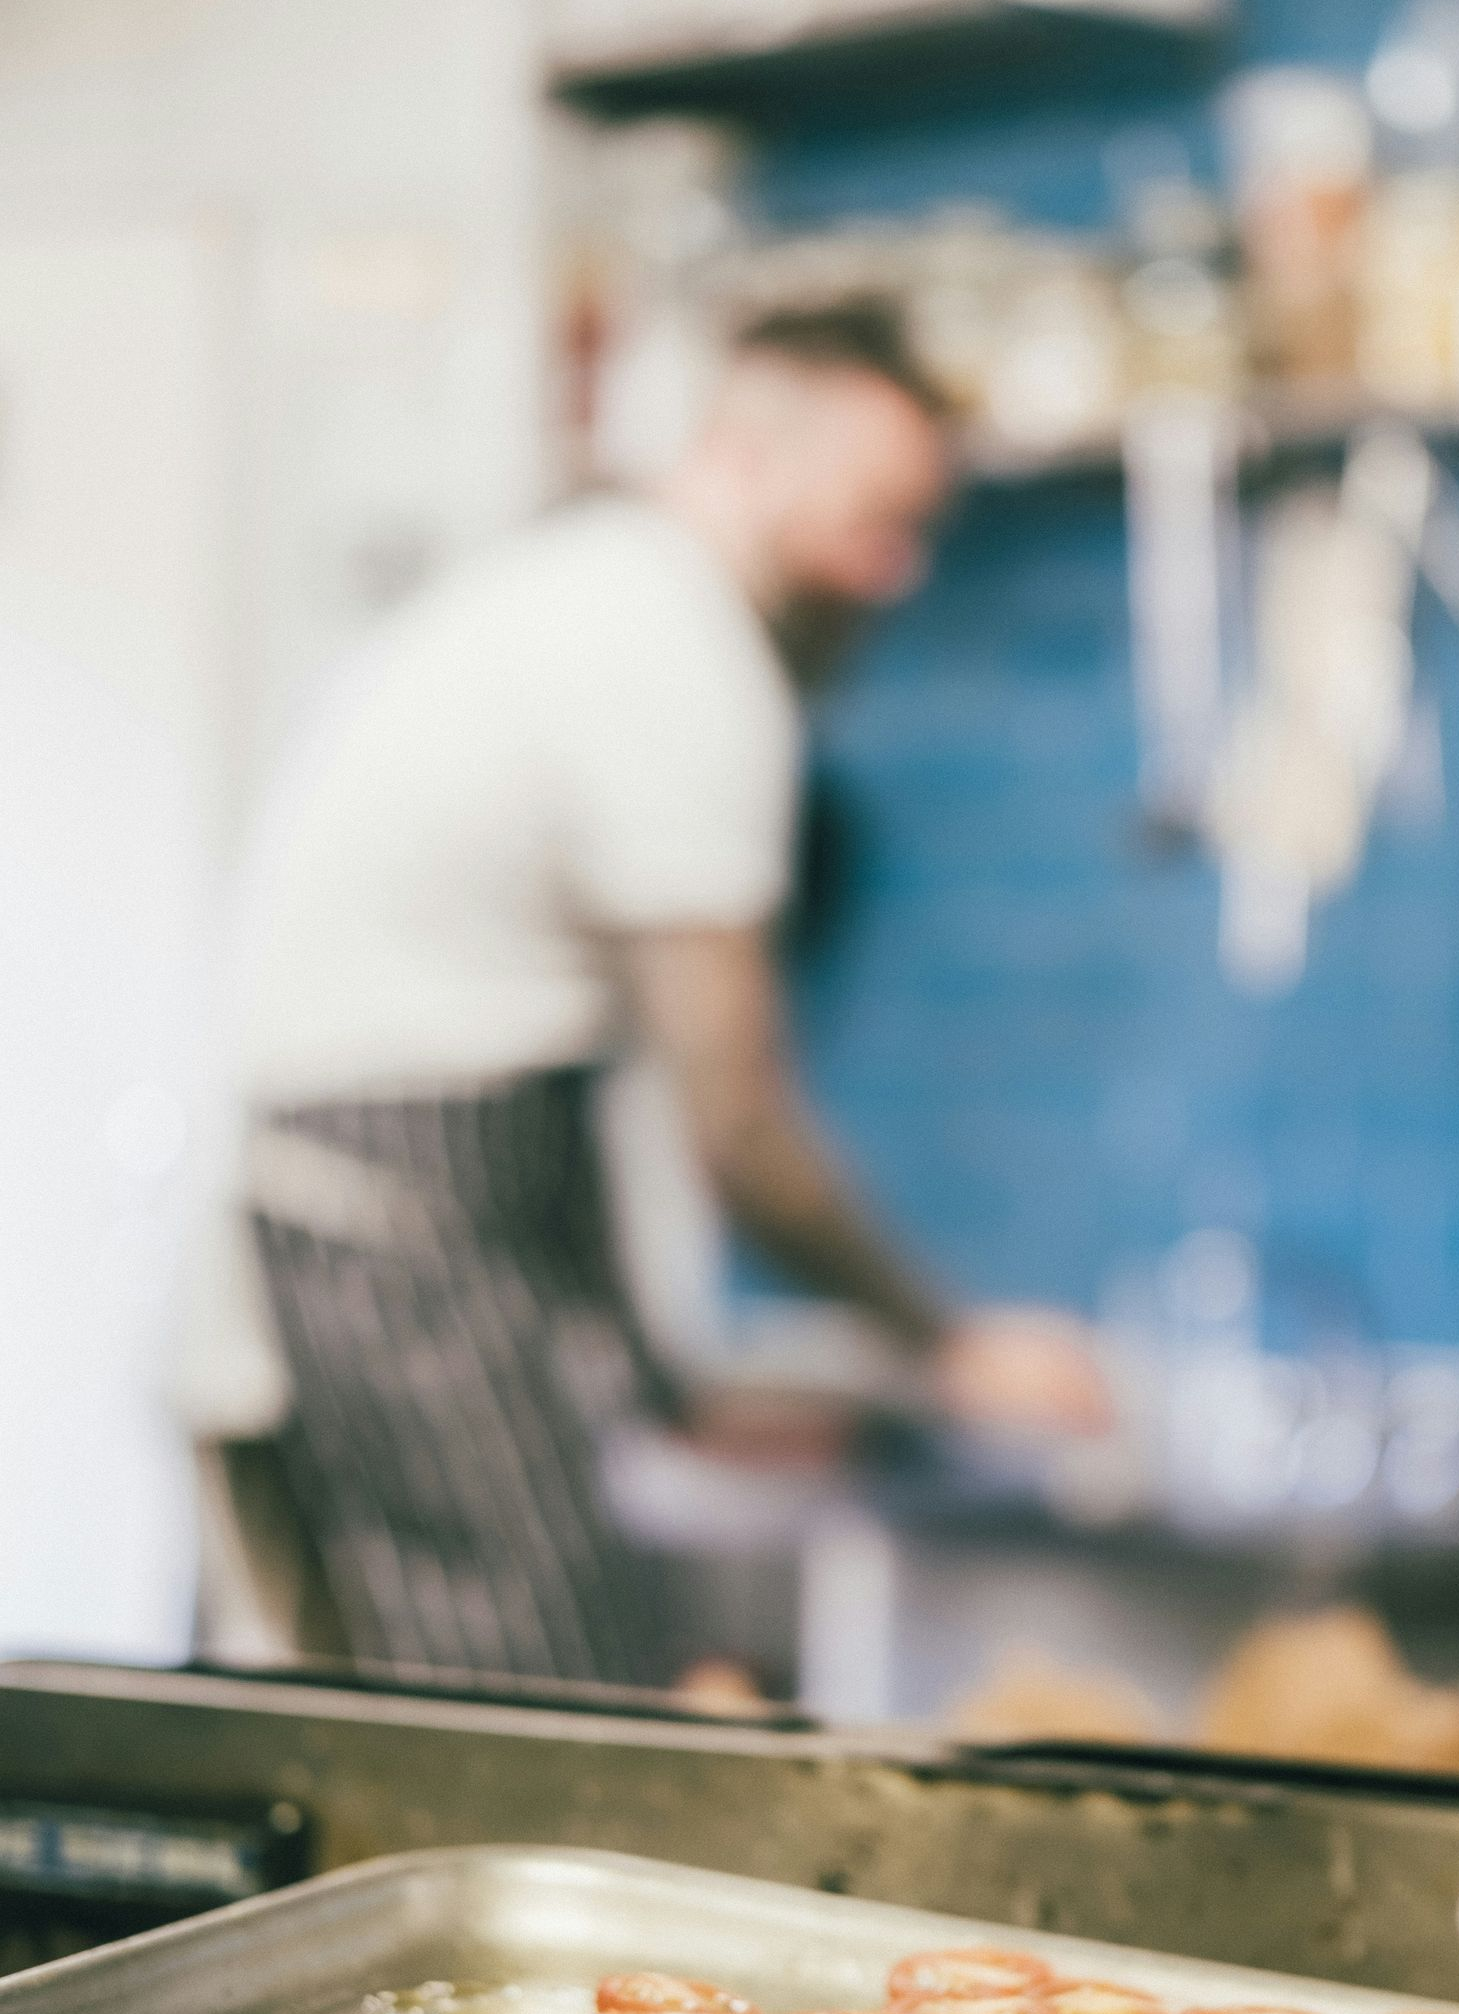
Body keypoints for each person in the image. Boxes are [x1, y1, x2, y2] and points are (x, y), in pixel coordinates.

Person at [179, 299, 1112, 1693]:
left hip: (330, 1223)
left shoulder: (588, 591)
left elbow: (523, 1097)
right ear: (741, 453)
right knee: (546, 1729)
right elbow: (738, 1131)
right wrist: (953, 1345)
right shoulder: (683, 658)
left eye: (915, 531)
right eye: (868, 517)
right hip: (385, 1252)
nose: (894, 572)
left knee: (395, 1737)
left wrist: (668, 1381)